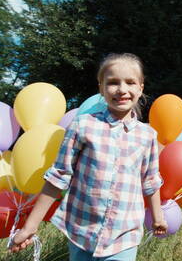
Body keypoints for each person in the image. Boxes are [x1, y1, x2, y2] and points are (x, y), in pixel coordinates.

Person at [9, 53, 168, 261]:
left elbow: (150, 180)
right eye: (112, 83)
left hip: (124, 236)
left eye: (130, 82)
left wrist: (158, 217)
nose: (122, 89)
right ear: (101, 87)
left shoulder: (147, 135)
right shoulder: (83, 125)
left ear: (140, 88)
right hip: (80, 231)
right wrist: (30, 226)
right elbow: (58, 176)